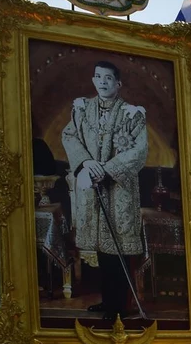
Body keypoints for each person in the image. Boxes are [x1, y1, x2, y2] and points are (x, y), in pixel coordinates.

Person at [62, 60, 148, 319]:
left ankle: (121, 305)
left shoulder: (132, 114)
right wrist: (87, 163)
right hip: (92, 184)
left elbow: (139, 150)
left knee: (117, 246)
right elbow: (70, 136)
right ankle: (109, 302)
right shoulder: (82, 109)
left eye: (108, 78)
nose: (102, 82)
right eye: (98, 77)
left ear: (118, 83)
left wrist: (108, 169)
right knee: (100, 247)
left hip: (118, 188)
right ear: (93, 80)